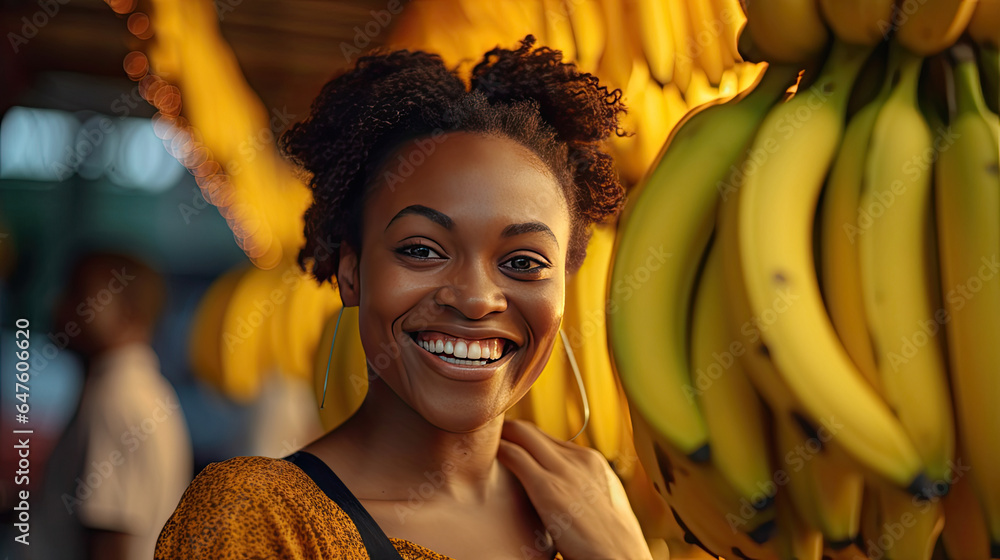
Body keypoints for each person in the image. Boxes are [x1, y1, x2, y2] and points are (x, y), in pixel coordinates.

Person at [155, 36, 652, 559]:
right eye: (422, 249)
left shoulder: (595, 513)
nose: (477, 299)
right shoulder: (256, 521)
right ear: (352, 273)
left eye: (524, 262)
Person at [35, 252, 192, 560]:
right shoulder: (137, 390)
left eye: (79, 294)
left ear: (128, 316)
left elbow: (111, 540)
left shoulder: (118, 398)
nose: (59, 306)